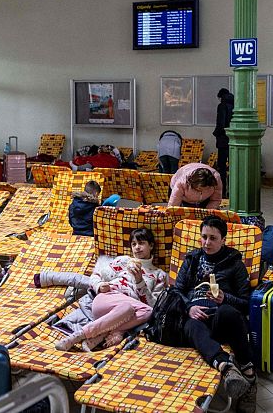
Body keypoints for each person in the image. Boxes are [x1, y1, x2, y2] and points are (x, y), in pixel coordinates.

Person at [174, 216, 255, 409]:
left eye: (213, 238)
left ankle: (249, 375)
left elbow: (246, 303)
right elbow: (177, 291)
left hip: (221, 320)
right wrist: (189, 307)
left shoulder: (234, 263)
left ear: (223, 240)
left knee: (228, 312)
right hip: (195, 318)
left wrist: (225, 298)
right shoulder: (192, 259)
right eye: (204, 237)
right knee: (192, 324)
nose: (207, 242)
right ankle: (227, 367)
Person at [54, 228, 166, 351]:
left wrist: (140, 282)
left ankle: (99, 334)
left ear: (151, 245)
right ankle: (77, 336)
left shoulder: (159, 275)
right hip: (107, 299)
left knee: (148, 312)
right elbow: (96, 275)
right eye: (134, 244)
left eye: (141, 243)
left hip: (127, 313)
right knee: (131, 308)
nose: (137, 247)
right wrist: (99, 285)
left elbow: (154, 305)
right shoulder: (123, 261)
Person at [213, 88, 234, 197]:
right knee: (233, 167)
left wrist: (216, 133)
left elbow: (221, 123)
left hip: (223, 141)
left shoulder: (222, 106)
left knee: (222, 167)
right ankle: (233, 191)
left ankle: (222, 191)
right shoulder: (235, 105)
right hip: (234, 140)